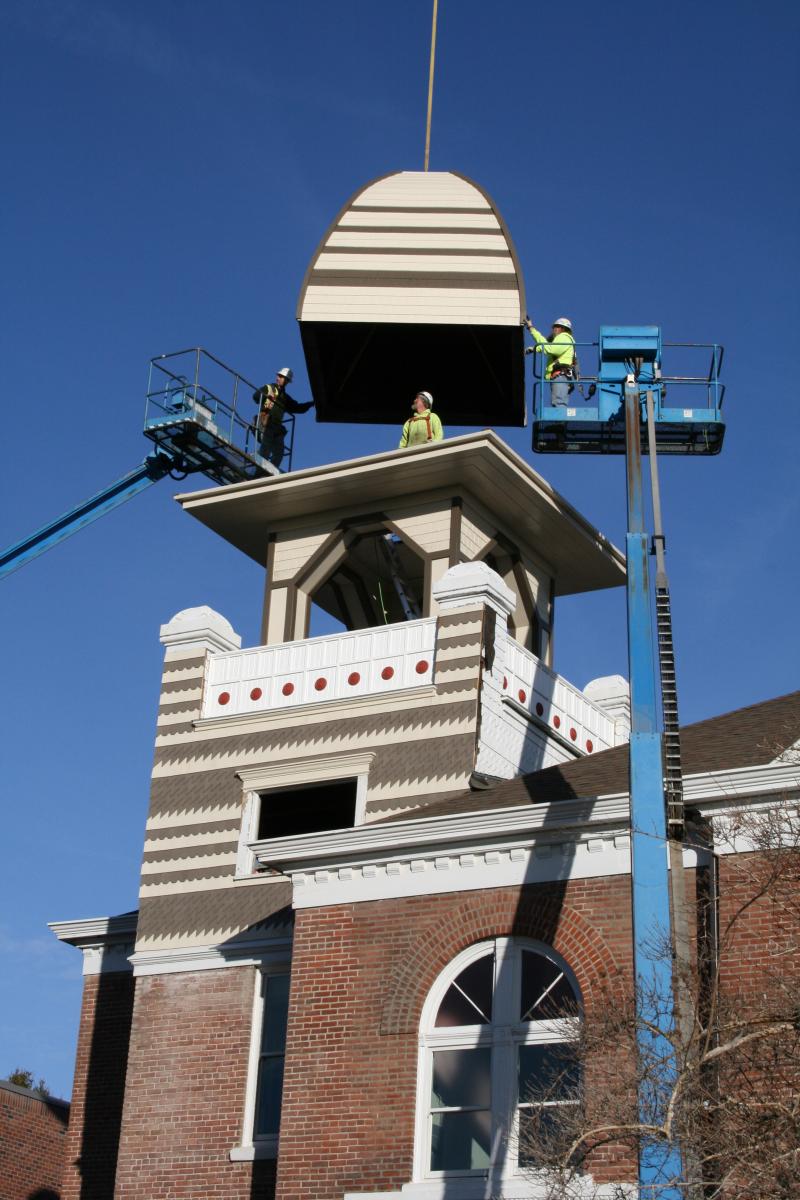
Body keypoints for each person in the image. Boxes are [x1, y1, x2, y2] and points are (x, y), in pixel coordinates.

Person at [252, 368, 313, 467]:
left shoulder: (285, 397)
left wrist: (310, 404)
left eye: (282, 377)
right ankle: (258, 469)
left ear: (287, 381)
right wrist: (266, 396)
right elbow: (255, 397)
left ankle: (269, 473)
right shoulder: (269, 388)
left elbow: (297, 408)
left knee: (279, 453)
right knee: (266, 448)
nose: (279, 378)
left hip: (276, 427)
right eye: (279, 376)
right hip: (265, 422)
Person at [524, 316, 576, 407]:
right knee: (557, 402)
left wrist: (535, 348)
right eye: (554, 327)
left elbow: (550, 349)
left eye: (556, 327)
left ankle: (560, 420)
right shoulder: (561, 339)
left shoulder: (564, 337)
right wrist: (531, 328)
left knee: (559, 404)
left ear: (562, 328)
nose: (554, 329)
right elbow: (545, 344)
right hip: (559, 375)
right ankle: (559, 420)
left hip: (561, 375)